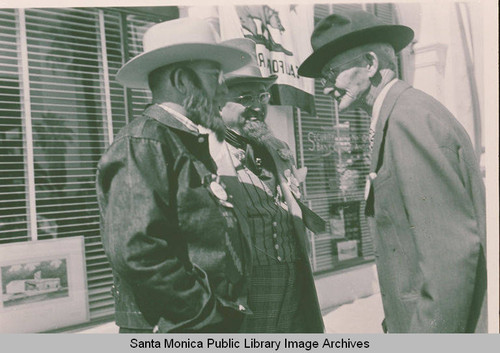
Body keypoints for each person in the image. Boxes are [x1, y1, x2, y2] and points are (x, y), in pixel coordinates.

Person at [298, 10, 487, 333]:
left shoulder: (407, 121)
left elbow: (448, 258)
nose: (326, 87)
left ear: (370, 64)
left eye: (332, 73)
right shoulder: (401, 113)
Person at [95, 18, 255, 333]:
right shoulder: (143, 142)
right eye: (215, 77)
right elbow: (137, 250)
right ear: (182, 80)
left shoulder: (180, 139)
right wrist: (202, 310)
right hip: (178, 326)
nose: (224, 90)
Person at [220, 38, 324, 333]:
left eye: (262, 97)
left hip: (292, 281)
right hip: (247, 290)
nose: (256, 107)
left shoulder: (277, 148)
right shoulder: (209, 156)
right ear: (216, 101)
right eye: (245, 98)